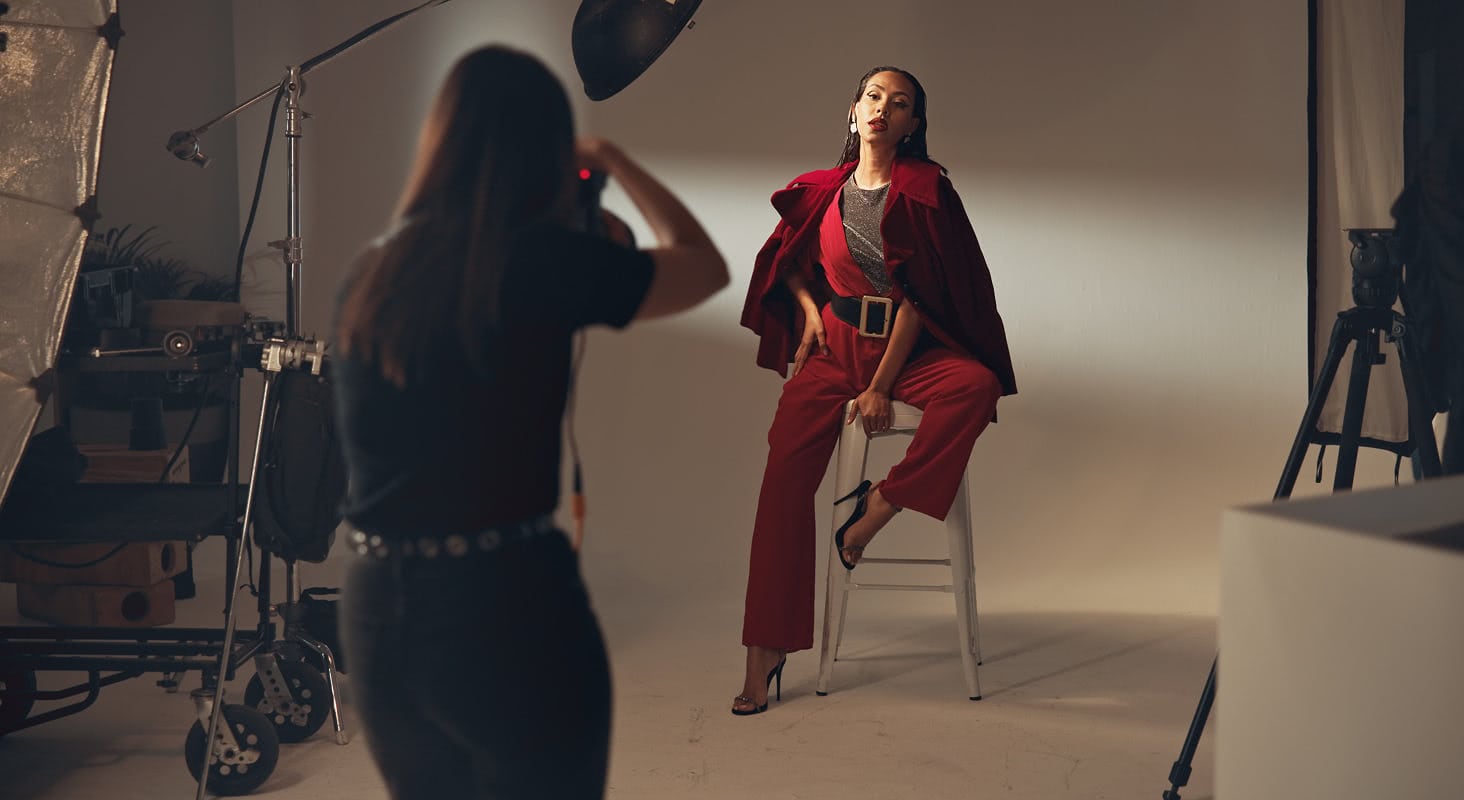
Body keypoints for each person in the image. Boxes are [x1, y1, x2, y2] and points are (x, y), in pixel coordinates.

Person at [332, 45, 727, 799]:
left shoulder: (374, 269)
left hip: (376, 608)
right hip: (503, 603)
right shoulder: (540, 262)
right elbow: (702, 267)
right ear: (544, 150)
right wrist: (613, 158)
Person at [733, 66, 1017, 715]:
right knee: (781, 482)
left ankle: (879, 506)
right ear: (853, 110)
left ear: (915, 125)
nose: (883, 108)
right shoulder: (822, 190)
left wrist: (881, 388)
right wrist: (808, 313)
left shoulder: (926, 191)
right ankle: (764, 652)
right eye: (873, 97)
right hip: (834, 347)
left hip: (907, 350)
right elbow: (790, 267)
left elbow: (926, 294)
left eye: (900, 103)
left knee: (975, 386)